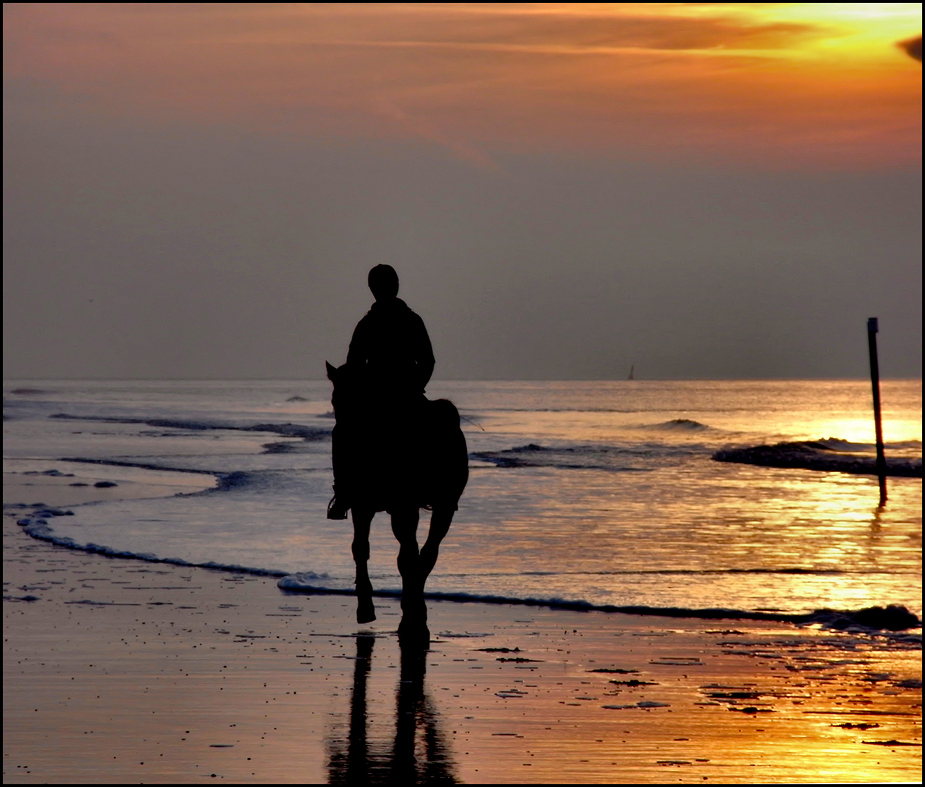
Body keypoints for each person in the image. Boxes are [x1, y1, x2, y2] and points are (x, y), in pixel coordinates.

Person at [327, 265, 435, 519]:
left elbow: (354, 367)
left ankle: (343, 495)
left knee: (342, 434)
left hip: (384, 397)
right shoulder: (405, 320)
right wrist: (415, 386)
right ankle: (344, 493)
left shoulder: (371, 324)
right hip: (401, 395)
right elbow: (428, 362)